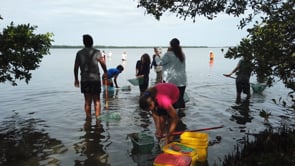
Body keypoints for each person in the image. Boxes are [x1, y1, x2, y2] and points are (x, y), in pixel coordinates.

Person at [74, 34, 107, 119]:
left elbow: (76, 67)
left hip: (85, 80)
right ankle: (98, 120)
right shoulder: (97, 52)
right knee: (97, 101)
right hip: (95, 79)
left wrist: (76, 79)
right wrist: (106, 72)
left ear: (84, 43)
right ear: (92, 42)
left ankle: (88, 120)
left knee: (87, 102)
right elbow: (102, 63)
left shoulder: (79, 53)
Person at [161, 38, 187, 110]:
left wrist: (159, 54)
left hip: (171, 81)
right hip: (182, 80)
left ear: (171, 45)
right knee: (181, 100)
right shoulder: (182, 54)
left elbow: (160, 63)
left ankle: (172, 118)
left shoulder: (168, 54)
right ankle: (181, 116)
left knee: (171, 101)